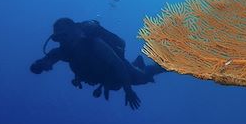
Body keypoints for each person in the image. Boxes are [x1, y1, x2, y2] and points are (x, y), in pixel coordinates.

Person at [30, 18, 164, 110]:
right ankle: (138, 64)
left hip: (118, 73)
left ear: (74, 31)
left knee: (143, 77)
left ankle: (165, 66)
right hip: (105, 79)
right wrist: (40, 65)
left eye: (64, 36)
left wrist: (128, 91)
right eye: (58, 38)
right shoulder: (63, 51)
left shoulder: (94, 43)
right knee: (135, 77)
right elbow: (46, 61)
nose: (62, 41)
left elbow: (119, 66)